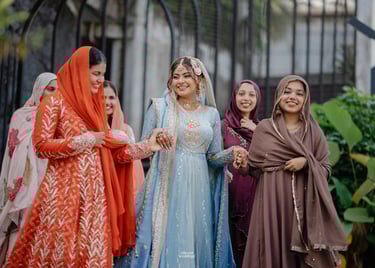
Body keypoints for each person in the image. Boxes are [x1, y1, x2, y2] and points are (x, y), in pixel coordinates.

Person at [6, 47, 163, 267]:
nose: (101, 80)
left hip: (94, 198)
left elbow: (113, 153)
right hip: (61, 195)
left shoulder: (95, 106)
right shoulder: (55, 102)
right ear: (80, 70)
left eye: (103, 74)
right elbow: (41, 146)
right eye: (96, 73)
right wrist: (84, 140)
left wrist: (148, 146)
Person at [115, 56, 246, 268]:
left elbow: (212, 158)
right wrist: (156, 137)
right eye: (176, 77)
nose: (180, 81)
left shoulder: (211, 114)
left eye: (187, 76)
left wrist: (232, 152)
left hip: (199, 191)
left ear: (199, 81)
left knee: (195, 239)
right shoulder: (160, 108)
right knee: (167, 236)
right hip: (168, 186)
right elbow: (143, 148)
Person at [235, 75, 347, 267]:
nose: (292, 97)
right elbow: (254, 169)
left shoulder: (313, 131)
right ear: (279, 95)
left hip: (302, 206)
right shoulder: (264, 128)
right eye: (287, 92)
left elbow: (325, 168)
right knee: (271, 249)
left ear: (305, 99)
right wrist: (243, 164)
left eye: (299, 93)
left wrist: (305, 162)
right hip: (271, 203)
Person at [0, 73, 57, 264]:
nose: (54, 94)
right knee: (23, 228)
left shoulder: (58, 119)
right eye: (50, 89)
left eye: (58, 91)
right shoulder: (21, 116)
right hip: (25, 182)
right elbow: (12, 152)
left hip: (48, 182)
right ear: (39, 89)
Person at [223, 80, 261, 267]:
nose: (246, 98)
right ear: (234, 97)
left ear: (258, 99)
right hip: (228, 192)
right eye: (242, 94)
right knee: (228, 239)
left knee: (252, 243)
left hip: (255, 195)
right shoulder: (223, 126)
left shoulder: (263, 128)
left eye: (251, 95)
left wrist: (258, 131)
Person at [103, 80, 145, 200]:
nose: (107, 102)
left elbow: (134, 162)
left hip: (123, 186)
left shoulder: (126, 129)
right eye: (103, 97)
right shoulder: (90, 127)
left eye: (111, 98)